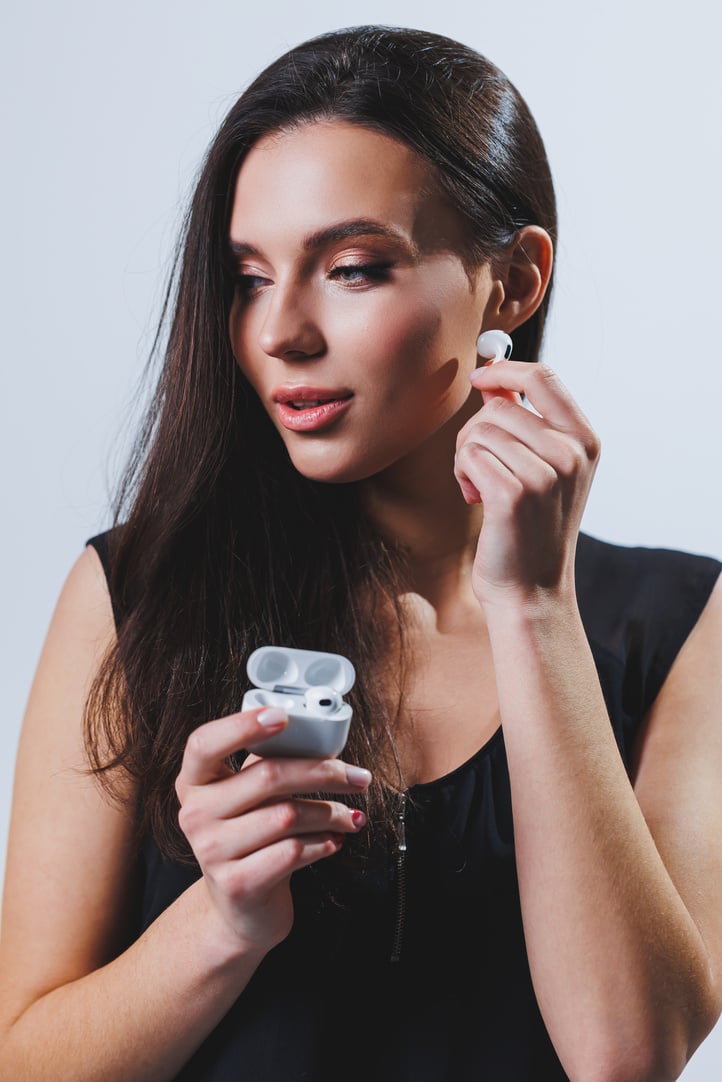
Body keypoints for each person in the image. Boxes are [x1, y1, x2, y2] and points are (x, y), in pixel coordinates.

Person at [1, 23, 720, 1082]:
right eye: (248, 276)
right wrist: (224, 920)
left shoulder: (674, 619)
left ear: (512, 282)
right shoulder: (132, 591)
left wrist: (531, 603)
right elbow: (26, 1059)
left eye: (349, 267)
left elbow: (627, 1053)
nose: (280, 331)